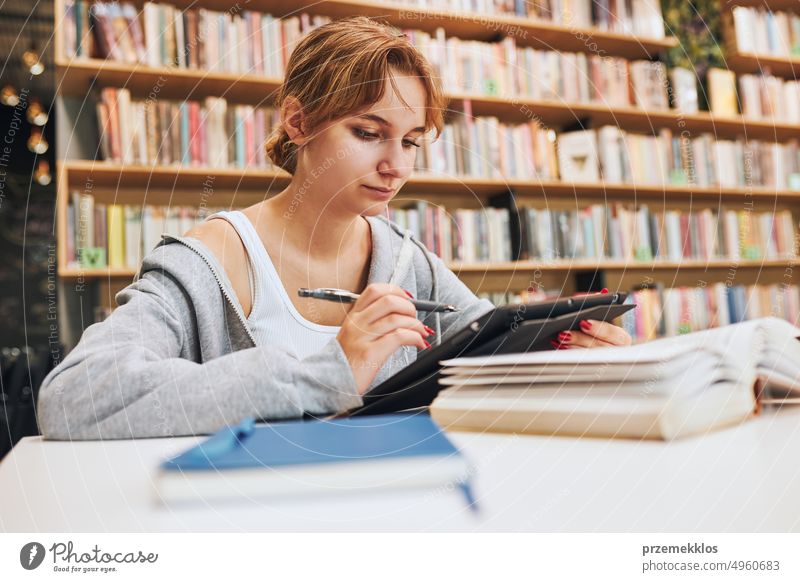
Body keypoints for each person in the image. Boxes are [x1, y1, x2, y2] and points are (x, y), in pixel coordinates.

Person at [37, 17, 631, 440]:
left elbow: (483, 364)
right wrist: (325, 375)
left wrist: (565, 360)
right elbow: (74, 399)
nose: (395, 165)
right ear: (298, 121)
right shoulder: (208, 262)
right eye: (367, 133)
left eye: (411, 142)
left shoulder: (407, 262)